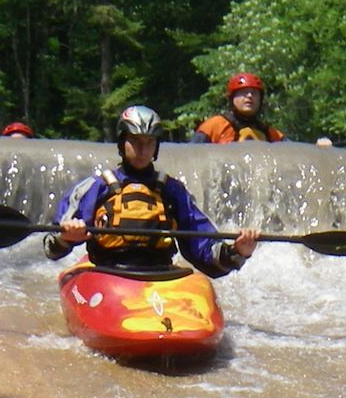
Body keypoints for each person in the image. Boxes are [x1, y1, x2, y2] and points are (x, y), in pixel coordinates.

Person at [44, 105, 259, 277]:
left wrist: (237, 252)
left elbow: (203, 249)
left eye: (149, 142)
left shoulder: (172, 191)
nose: (142, 149)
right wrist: (66, 237)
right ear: (122, 143)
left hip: (160, 275)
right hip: (108, 273)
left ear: (156, 147)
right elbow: (52, 248)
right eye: (135, 141)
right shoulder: (95, 187)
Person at [194, 73, 287, 144]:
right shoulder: (213, 126)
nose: (249, 96)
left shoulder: (271, 134)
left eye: (254, 93)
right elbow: (192, 154)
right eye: (244, 92)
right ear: (232, 98)